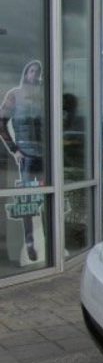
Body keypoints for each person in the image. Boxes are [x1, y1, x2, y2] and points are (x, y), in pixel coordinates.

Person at [0, 60, 45, 262]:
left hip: (44, 154)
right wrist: (14, 149)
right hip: (25, 154)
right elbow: (1, 122)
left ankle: (47, 238)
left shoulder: (44, 97)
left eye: (37, 72)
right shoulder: (14, 95)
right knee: (27, 200)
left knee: (45, 197)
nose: (34, 75)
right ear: (26, 73)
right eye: (31, 71)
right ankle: (30, 242)